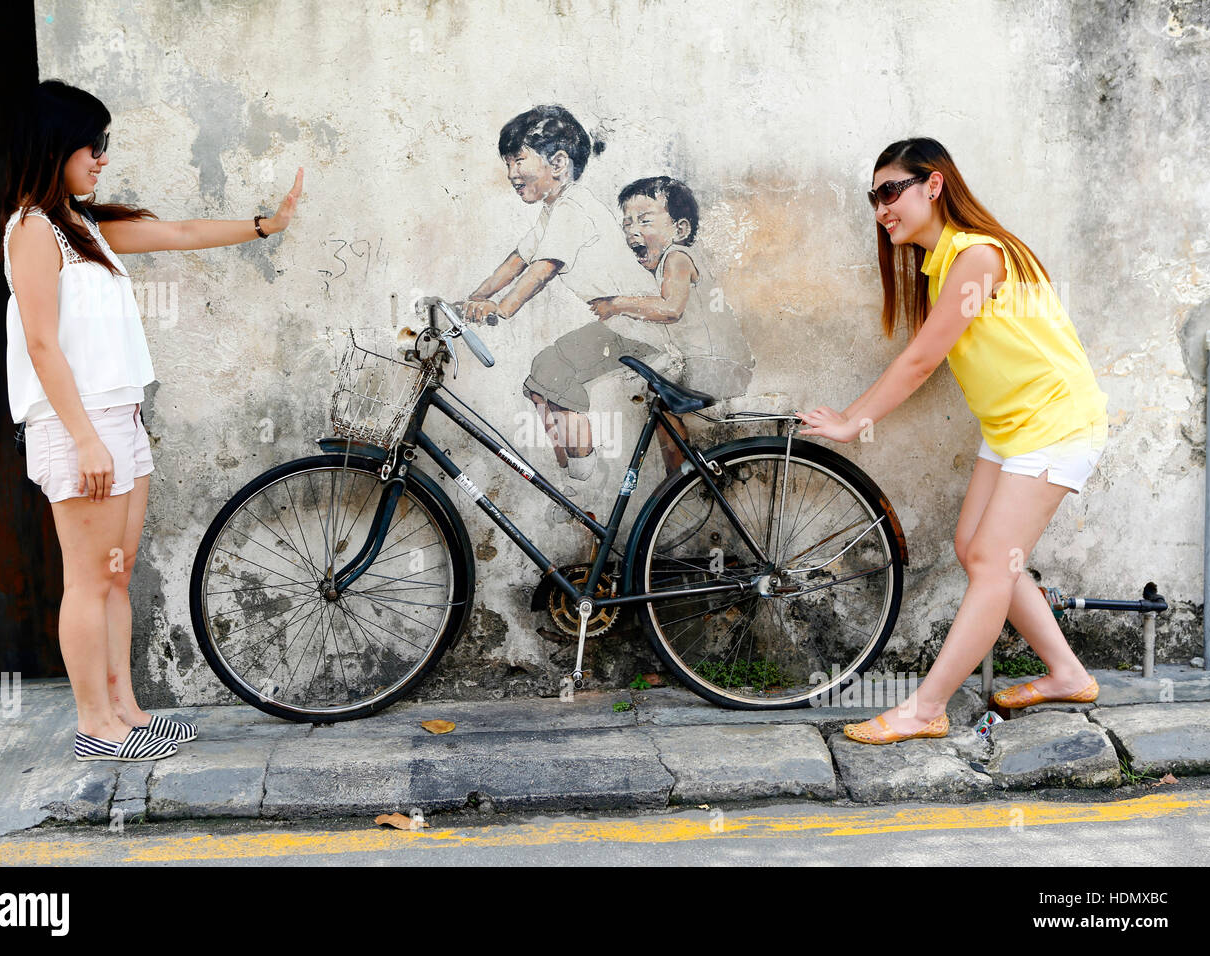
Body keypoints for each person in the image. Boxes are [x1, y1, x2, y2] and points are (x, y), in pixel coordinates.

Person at [2, 80, 303, 761]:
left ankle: (127, 712)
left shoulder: (81, 227)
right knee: (87, 578)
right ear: (56, 145)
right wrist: (83, 437)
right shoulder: (29, 230)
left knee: (118, 569)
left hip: (120, 417)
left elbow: (180, 233)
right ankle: (95, 728)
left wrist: (266, 225)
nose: (102, 157)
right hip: (77, 424)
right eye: (93, 143)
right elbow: (41, 344)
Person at [795, 137, 1109, 744]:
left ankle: (924, 709)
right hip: (1013, 428)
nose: (882, 208)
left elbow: (920, 362)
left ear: (933, 186)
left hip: (1055, 423)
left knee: (992, 560)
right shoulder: (944, 264)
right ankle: (1068, 673)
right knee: (975, 548)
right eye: (874, 196)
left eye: (893, 191)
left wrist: (852, 422)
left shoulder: (977, 256)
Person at [461, 105, 674, 484]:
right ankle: (571, 474)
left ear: (557, 163)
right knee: (542, 375)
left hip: (637, 328)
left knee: (553, 372)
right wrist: (471, 299)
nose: (511, 174)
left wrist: (501, 308)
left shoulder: (574, 207)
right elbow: (518, 260)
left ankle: (583, 481)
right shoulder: (554, 209)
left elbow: (543, 269)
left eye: (519, 161)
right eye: (508, 163)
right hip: (619, 326)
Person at [589, 176, 755, 474]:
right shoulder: (671, 260)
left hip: (717, 365)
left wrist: (616, 304)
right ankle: (685, 479)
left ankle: (681, 483)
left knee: (663, 407)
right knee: (661, 404)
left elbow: (670, 310)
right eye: (627, 223)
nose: (632, 231)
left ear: (680, 229)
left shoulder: (676, 257)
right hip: (714, 362)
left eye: (644, 221)